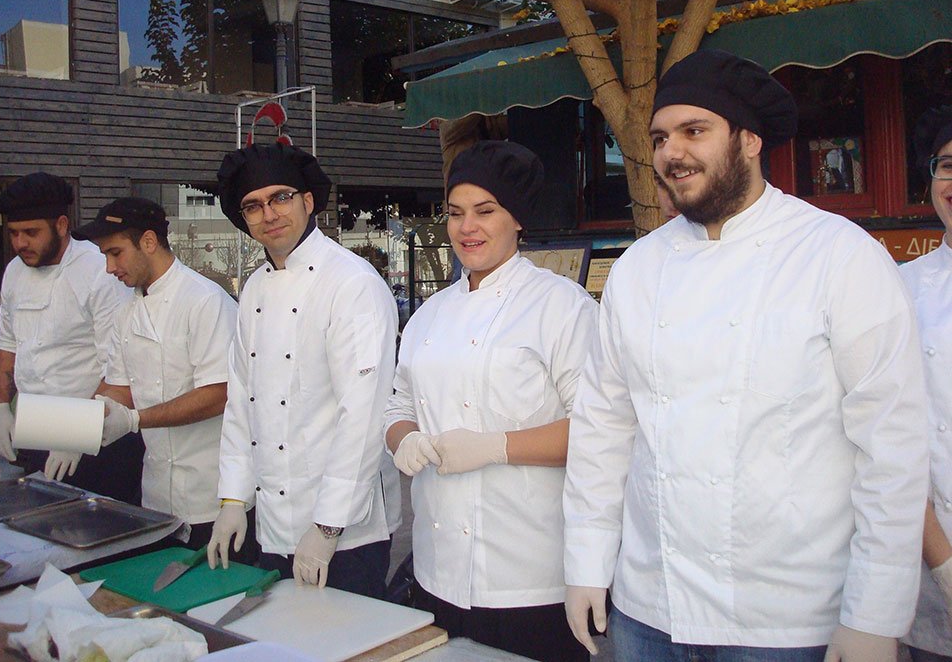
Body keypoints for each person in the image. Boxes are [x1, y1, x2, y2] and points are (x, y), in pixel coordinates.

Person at [563, 49, 929, 662]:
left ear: (750, 140)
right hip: (651, 607)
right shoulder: (637, 269)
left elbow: (891, 447)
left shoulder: (839, 255)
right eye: (659, 137)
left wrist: (875, 614)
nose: (672, 153)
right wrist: (586, 562)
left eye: (694, 131)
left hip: (789, 619)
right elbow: (604, 428)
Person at [385, 141, 598, 662]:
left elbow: (601, 429)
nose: (466, 228)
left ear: (517, 219)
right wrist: (404, 438)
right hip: (437, 572)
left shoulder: (560, 306)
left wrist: (494, 447)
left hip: (532, 578)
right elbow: (396, 407)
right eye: (455, 213)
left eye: (485, 211)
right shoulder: (428, 315)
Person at [207, 142, 399, 598]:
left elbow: (364, 413)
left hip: (346, 531)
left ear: (308, 201)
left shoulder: (352, 284)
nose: (269, 213)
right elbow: (241, 401)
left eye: (280, 197)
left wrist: (328, 526)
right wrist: (233, 499)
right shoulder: (253, 288)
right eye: (253, 206)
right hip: (274, 523)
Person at [71, 197, 253, 555]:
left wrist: (137, 420)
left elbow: (219, 393)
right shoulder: (127, 311)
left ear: (149, 242)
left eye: (115, 253)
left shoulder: (204, 301)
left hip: (214, 498)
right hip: (156, 497)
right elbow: (119, 387)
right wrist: (74, 425)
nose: (109, 267)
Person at [0, 172, 142, 503]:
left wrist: (78, 431)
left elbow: (121, 365)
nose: (20, 243)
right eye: (13, 233)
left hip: (98, 433)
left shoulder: (98, 270)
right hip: (36, 425)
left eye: (31, 233)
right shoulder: (14, 272)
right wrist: (0, 407)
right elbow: (9, 343)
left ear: (60, 225)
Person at [902, 106, 952, 662]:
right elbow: (886, 438)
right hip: (930, 568)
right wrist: (944, 564)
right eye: (948, 166)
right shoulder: (898, 291)